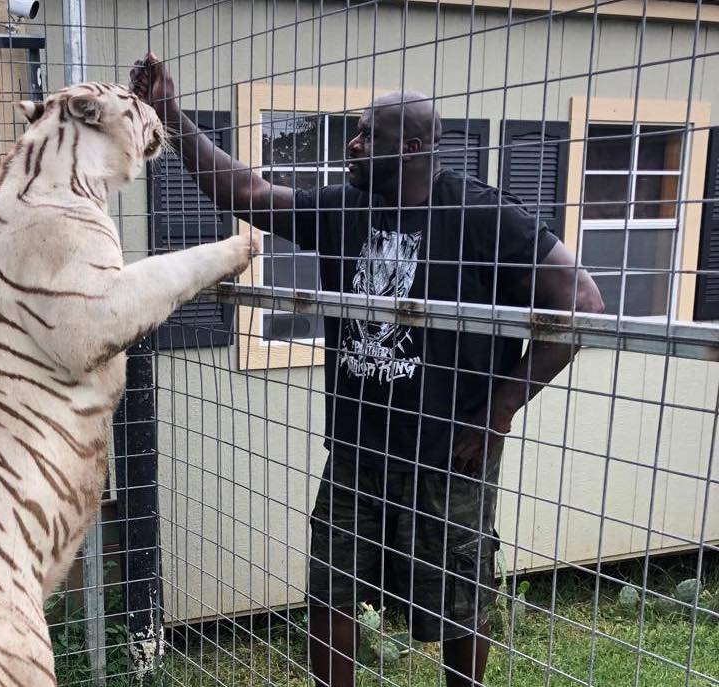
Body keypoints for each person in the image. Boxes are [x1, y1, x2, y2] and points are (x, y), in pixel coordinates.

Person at [130, 54, 604, 686]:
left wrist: (500, 408)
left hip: (447, 455)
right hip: (357, 451)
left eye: (365, 135)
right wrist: (171, 116)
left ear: (409, 147)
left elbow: (583, 305)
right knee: (331, 593)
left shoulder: (484, 216)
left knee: (460, 604)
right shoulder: (343, 207)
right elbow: (244, 192)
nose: (350, 144)